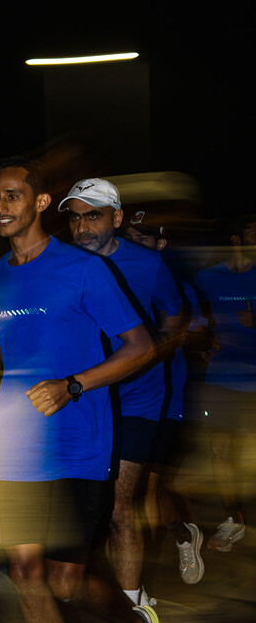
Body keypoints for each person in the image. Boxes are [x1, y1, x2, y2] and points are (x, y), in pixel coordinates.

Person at [0, 157, 169, 623]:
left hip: (79, 443)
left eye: (12, 196)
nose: (1, 207)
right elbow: (1, 353)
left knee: (67, 582)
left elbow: (140, 347)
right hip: (16, 444)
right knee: (26, 571)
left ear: (40, 202)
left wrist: (73, 385)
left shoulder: (83, 270)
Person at [59, 179, 187, 623]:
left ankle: (132, 618)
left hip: (137, 399)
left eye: (93, 215)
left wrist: (151, 359)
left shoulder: (148, 265)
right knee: (86, 511)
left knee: (120, 507)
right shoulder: (62, 265)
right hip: (85, 399)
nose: (82, 227)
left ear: (116, 218)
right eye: (74, 217)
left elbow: (175, 318)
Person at [123, 211, 210, 584]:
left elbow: (202, 334)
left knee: (147, 493)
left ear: (160, 244)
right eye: (129, 238)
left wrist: (181, 337)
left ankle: (179, 539)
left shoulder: (179, 287)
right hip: (117, 400)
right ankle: (175, 538)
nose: (134, 245)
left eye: (142, 239)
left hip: (164, 402)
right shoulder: (113, 283)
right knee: (123, 499)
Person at [195, 215, 256, 551]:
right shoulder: (208, 278)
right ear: (236, 239)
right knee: (220, 451)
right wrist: (201, 342)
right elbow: (196, 320)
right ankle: (233, 519)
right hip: (221, 378)